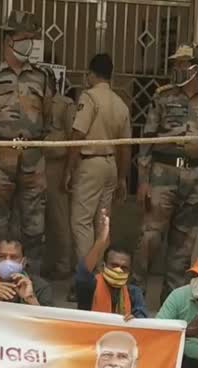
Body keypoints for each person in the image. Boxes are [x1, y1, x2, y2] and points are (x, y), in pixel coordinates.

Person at [132, 42, 198, 303]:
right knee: (149, 238)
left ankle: (169, 305)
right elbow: (146, 139)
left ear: (196, 66)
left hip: (195, 178)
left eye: (183, 64)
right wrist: (143, 181)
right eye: (176, 64)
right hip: (163, 174)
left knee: (182, 247)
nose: (178, 68)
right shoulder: (162, 96)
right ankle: (133, 296)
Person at [0, 10, 52, 270]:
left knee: (34, 228)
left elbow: (48, 121)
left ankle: (31, 283)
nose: (29, 43)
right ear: (9, 39)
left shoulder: (42, 76)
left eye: (32, 38)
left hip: (32, 161)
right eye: (24, 37)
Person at [65, 53, 131, 279]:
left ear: (91, 74)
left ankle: (88, 275)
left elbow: (78, 134)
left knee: (81, 222)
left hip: (90, 164)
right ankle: (103, 274)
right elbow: (126, 146)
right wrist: (122, 178)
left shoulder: (90, 98)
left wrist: (70, 168)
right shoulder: (120, 103)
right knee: (102, 223)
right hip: (111, 164)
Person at [75, 209, 147, 319]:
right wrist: (101, 240)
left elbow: (142, 318)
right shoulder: (91, 286)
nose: (119, 270)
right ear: (104, 266)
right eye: (114, 265)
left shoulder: (134, 293)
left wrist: (136, 320)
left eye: (124, 268)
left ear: (129, 272)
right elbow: (83, 273)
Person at [42, 68, 75, 279]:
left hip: (56, 166)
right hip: (33, 164)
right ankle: (43, 262)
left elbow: (74, 137)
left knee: (58, 217)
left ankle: (63, 265)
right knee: (36, 218)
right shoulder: (32, 102)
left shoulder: (64, 104)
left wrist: (69, 170)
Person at [0, 237, 53, 306]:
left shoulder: (41, 288)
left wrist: (31, 299)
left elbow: (50, 320)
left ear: (24, 262)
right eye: (2, 257)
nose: (7, 261)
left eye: (14, 257)